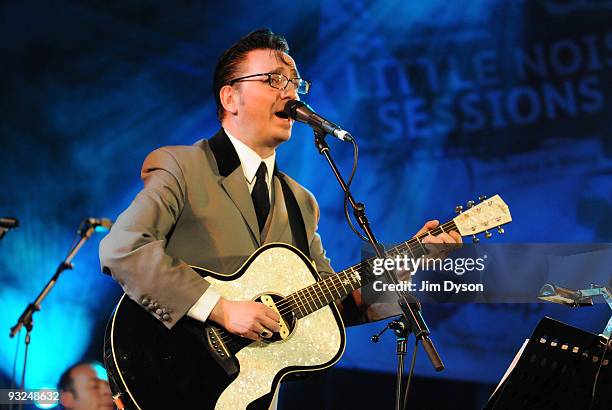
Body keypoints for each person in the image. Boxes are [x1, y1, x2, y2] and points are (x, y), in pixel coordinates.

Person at [99, 28, 460, 406]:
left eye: (295, 82)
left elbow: (328, 302)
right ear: (230, 97)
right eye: (274, 79)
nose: (291, 93)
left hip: (252, 396)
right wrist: (220, 309)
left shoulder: (300, 201)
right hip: (169, 373)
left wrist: (402, 269)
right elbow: (123, 247)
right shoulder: (181, 165)